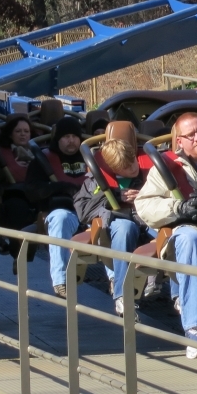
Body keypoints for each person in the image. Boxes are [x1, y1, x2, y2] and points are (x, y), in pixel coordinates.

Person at [135, 113, 197, 359]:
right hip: (186, 231)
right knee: (190, 240)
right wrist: (179, 209)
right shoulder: (166, 166)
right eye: (191, 135)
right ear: (179, 141)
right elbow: (144, 206)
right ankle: (194, 328)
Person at [74, 128, 151, 316]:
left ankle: (174, 290)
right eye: (125, 168)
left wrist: (144, 197)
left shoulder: (150, 171)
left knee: (177, 232)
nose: (132, 168)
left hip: (148, 219)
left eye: (133, 163)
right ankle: (122, 295)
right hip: (117, 223)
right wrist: (111, 198)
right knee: (125, 228)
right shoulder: (97, 180)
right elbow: (83, 210)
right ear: (113, 169)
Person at [26, 116, 89, 298]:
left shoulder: (90, 158)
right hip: (64, 211)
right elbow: (31, 191)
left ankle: (119, 284)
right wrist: (59, 187)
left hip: (92, 210)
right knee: (60, 219)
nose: (71, 140)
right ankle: (61, 280)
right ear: (58, 139)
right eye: (66, 136)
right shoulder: (43, 160)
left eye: (74, 136)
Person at [0, 114, 33, 184]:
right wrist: (11, 167)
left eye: (26, 131)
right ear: (10, 134)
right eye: (18, 131)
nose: (23, 134)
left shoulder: (37, 151)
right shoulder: (0, 152)